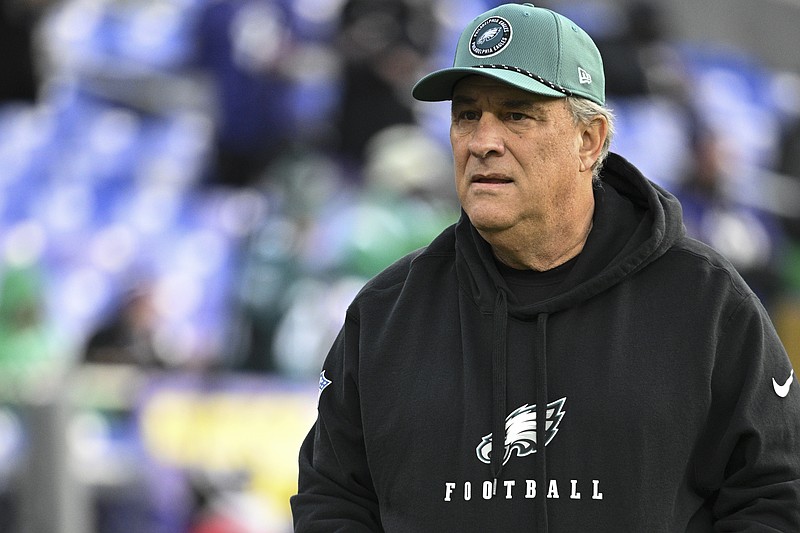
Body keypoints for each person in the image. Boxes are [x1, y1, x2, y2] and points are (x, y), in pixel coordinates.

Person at [290, 3, 800, 531]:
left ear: (589, 140)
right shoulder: (385, 315)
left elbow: (775, 495)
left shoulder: (707, 305)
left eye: (516, 114)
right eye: (467, 115)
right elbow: (333, 499)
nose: (483, 142)